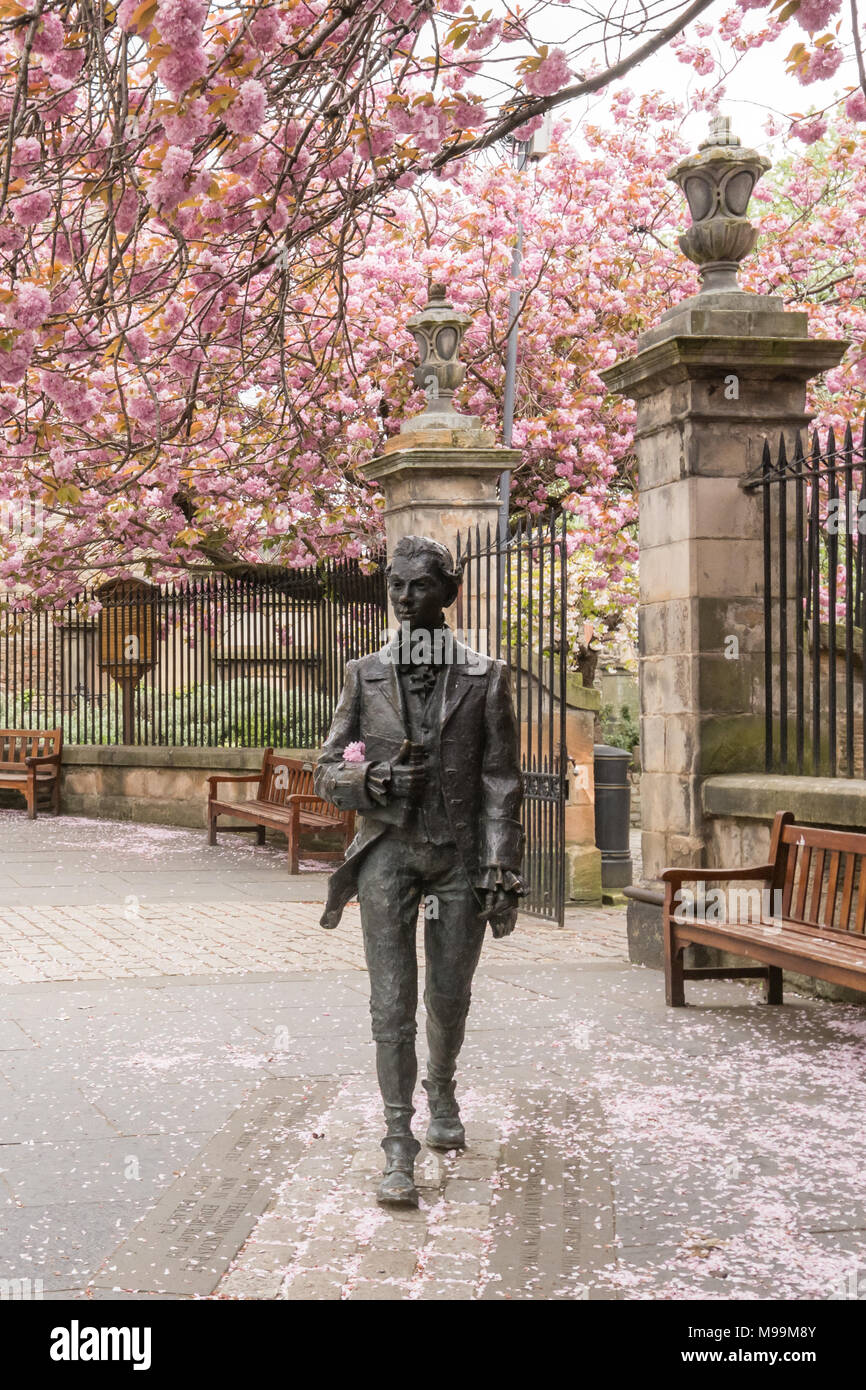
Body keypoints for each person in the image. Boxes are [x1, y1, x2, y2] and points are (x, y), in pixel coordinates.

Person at [314, 535, 525, 1206]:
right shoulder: (364, 673)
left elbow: (500, 781)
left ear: (448, 592)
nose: (405, 598)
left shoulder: (485, 677)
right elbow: (328, 768)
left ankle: (442, 1086)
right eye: (396, 586)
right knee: (390, 1004)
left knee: (449, 996)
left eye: (420, 587)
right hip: (387, 857)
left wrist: (500, 861)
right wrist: (374, 779)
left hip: (458, 858)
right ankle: (397, 1144)